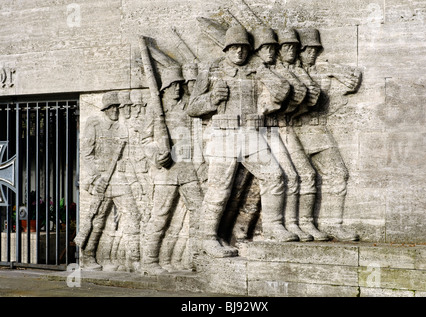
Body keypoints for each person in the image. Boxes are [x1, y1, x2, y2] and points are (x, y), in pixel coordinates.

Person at [188, 25, 297, 258]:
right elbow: (193, 108)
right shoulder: (212, 69)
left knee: (274, 175)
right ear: (226, 48)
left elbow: (283, 90)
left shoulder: (255, 68)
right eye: (234, 47)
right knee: (219, 189)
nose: (239, 52)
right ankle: (207, 239)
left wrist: (262, 68)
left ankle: (274, 225)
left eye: (244, 48)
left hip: (249, 135)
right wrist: (211, 99)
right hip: (223, 135)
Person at [293, 28, 361, 241]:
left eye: (315, 49)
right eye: (307, 49)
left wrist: (335, 71)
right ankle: (302, 224)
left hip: (317, 130)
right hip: (292, 130)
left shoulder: (321, 69)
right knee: (302, 179)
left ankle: (334, 225)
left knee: (339, 174)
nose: (311, 54)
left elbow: (354, 77)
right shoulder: (290, 71)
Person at [141, 65, 204, 275]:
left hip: (187, 168)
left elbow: (197, 136)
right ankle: (149, 261)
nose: (177, 88)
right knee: (160, 216)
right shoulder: (155, 108)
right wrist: (157, 156)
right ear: (165, 87)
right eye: (173, 85)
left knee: (199, 212)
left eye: (179, 84)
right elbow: (145, 139)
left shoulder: (188, 105)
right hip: (166, 171)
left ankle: (196, 258)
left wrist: (200, 162)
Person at [270, 28, 330, 241]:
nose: (290, 51)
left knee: (307, 175)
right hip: (268, 130)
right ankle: (289, 224)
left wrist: (305, 100)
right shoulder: (270, 71)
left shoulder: (296, 69)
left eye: (294, 47)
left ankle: (303, 223)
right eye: (286, 46)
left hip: (285, 126)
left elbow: (303, 103)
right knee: (291, 176)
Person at [79, 91, 142, 272]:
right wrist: (96, 177)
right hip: (102, 179)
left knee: (132, 214)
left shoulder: (122, 128)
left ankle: (134, 259)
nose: (116, 110)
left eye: (117, 107)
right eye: (112, 107)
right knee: (97, 220)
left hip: (119, 178)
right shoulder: (95, 125)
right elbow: (86, 154)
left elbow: (128, 157)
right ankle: (89, 255)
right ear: (105, 109)